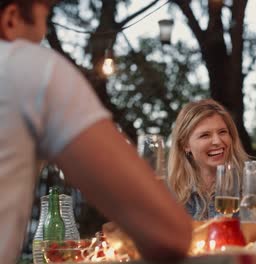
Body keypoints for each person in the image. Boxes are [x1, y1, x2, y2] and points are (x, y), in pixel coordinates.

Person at [0, 0, 191, 262]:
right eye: (45, 17)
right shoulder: (27, 67)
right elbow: (168, 232)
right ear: (11, 18)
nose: (43, 35)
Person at [168, 99, 249, 220]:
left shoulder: (249, 182)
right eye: (205, 135)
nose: (217, 141)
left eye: (222, 132)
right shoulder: (168, 192)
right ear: (185, 145)